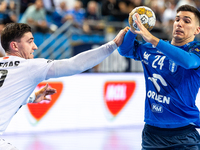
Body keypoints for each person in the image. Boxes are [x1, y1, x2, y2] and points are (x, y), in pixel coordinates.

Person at [0, 22, 128, 149]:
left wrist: (33, 97)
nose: (35, 46)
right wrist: (113, 45)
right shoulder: (29, 66)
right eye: (30, 42)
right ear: (15, 46)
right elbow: (76, 65)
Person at [118, 4, 200, 149]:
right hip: (152, 134)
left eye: (186, 21)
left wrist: (153, 39)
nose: (179, 23)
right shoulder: (151, 49)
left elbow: (188, 62)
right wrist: (132, 29)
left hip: (184, 135)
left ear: (197, 30)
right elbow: (124, 50)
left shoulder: (194, 51)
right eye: (177, 19)